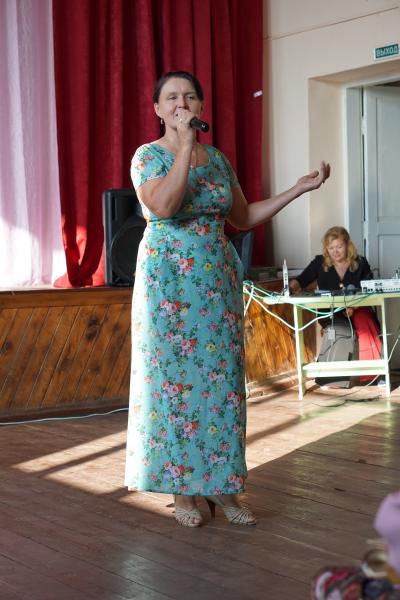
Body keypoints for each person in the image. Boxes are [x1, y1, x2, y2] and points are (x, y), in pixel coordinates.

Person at [124, 70, 330, 527]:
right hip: (168, 288)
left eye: (190, 96)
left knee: (221, 385)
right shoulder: (147, 157)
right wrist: (183, 145)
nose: (182, 103)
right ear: (158, 109)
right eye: (172, 98)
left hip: (216, 283)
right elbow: (164, 206)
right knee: (174, 384)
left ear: (200, 106)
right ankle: (183, 493)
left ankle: (224, 486)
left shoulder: (216, 159)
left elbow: (244, 216)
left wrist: (298, 189)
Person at [290, 226, 382, 386]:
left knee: (365, 322)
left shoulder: (360, 263)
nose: (335, 251)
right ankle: (331, 378)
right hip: (330, 313)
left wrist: (353, 307)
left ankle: (374, 376)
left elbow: (368, 289)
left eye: (339, 246)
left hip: (357, 309)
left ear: (347, 245)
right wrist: (292, 286)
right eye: (331, 248)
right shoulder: (319, 262)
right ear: (326, 248)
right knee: (340, 329)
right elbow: (301, 279)